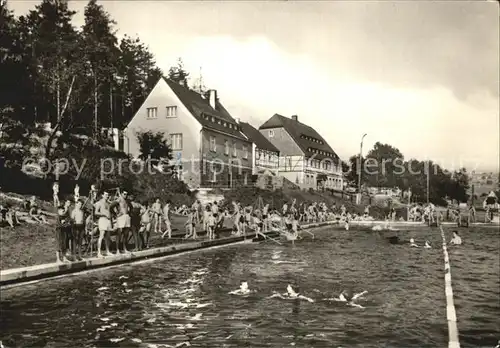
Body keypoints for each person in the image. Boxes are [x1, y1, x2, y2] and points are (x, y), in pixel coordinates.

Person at [94, 191, 113, 257]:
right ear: (102, 195)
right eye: (106, 194)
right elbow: (96, 212)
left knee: (108, 237)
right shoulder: (99, 203)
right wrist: (104, 214)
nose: (107, 196)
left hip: (108, 220)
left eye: (108, 194)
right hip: (102, 220)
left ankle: (107, 251)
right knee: (101, 236)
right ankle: (98, 252)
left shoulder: (108, 203)